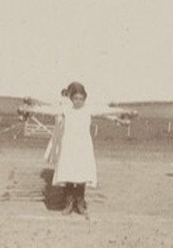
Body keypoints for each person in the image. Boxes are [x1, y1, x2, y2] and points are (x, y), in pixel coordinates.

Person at [27, 82, 135, 216]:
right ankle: (68, 203)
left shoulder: (89, 109)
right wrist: (31, 108)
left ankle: (80, 202)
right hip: (68, 146)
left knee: (81, 174)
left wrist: (123, 112)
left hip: (83, 146)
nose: (78, 101)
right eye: (75, 99)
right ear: (71, 98)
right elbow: (49, 110)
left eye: (81, 99)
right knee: (69, 174)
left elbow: (106, 111)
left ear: (85, 98)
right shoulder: (66, 109)